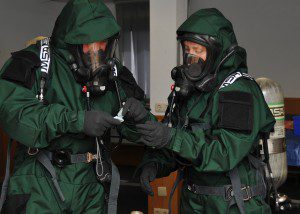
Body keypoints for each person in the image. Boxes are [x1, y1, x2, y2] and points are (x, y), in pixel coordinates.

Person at [0, 0, 153, 213]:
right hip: (39, 180)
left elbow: (145, 131)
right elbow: (13, 113)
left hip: (92, 181)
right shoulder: (32, 62)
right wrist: (77, 121)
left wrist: (141, 118)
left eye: (103, 43)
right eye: (90, 43)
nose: (98, 50)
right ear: (70, 42)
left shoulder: (115, 73)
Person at [134, 8, 275, 213]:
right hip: (193, 201)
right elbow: (180, 138)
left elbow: (224, 153)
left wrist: (170, 137)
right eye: (187, 49)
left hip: (232, 203)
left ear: (216, 51)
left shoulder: (238, 90)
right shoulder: (191, 91)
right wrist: (155, 163)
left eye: (198, 50)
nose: (192, 57)